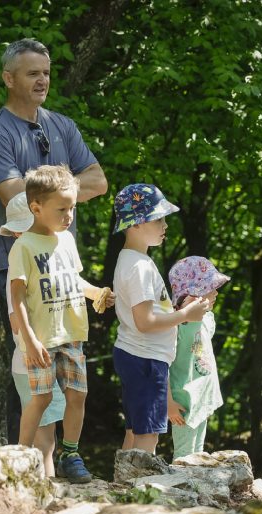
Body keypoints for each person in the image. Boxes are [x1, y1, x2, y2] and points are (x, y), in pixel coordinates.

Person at [0, 38, 108, 442]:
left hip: (64, 265)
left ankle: (66, 456)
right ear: (8, 79)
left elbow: (100, 181)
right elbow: (16, 201)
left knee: (71, 373)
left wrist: (51, 194)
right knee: (33, 366)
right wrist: (65, 190)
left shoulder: (62, 125)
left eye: (46, 73)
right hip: (17, 263)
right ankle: (34, 460)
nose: (42, 80)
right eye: (32, 73)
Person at [8, 166, 112, 482]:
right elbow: (17, 297)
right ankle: (20, 457)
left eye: (72, 208)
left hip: (71, 333)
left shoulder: (66, 240)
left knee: (77, 395)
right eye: (62, 209)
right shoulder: (23, 246)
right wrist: (29, 340)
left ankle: (71, 453)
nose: (69, 216)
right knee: (41, 399)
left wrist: (97, 293)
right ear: (36, 207)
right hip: (41, 338)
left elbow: (73, 280)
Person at [111, 184, 209, 455]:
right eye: (158, 219)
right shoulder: (139, 267)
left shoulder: (132, 260)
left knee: (134, 430)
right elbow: (145, 322)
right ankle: (143, 481)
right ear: (135, 224)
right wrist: (185, 315)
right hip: (145, 358)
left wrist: (177, 310)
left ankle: (124, 478)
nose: (165, 225)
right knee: (148, 434)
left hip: (138, 355)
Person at [1, 191, 66, 476]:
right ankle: (40, 487)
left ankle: (41, 486)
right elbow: (16, 322)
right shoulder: (18, 272)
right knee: (44, 441)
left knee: (48, 438)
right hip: (31, 361)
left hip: (45, 359)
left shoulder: (43, 266)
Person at [166, 256, 230, 457]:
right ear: (194, 293)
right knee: (184, 455)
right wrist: (168, 403)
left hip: (202, 397)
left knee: (198, 454)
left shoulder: (207, 319)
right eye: (210, 287)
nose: (216, 292)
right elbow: (162, 365)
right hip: (184, 401)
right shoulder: (175, 324)